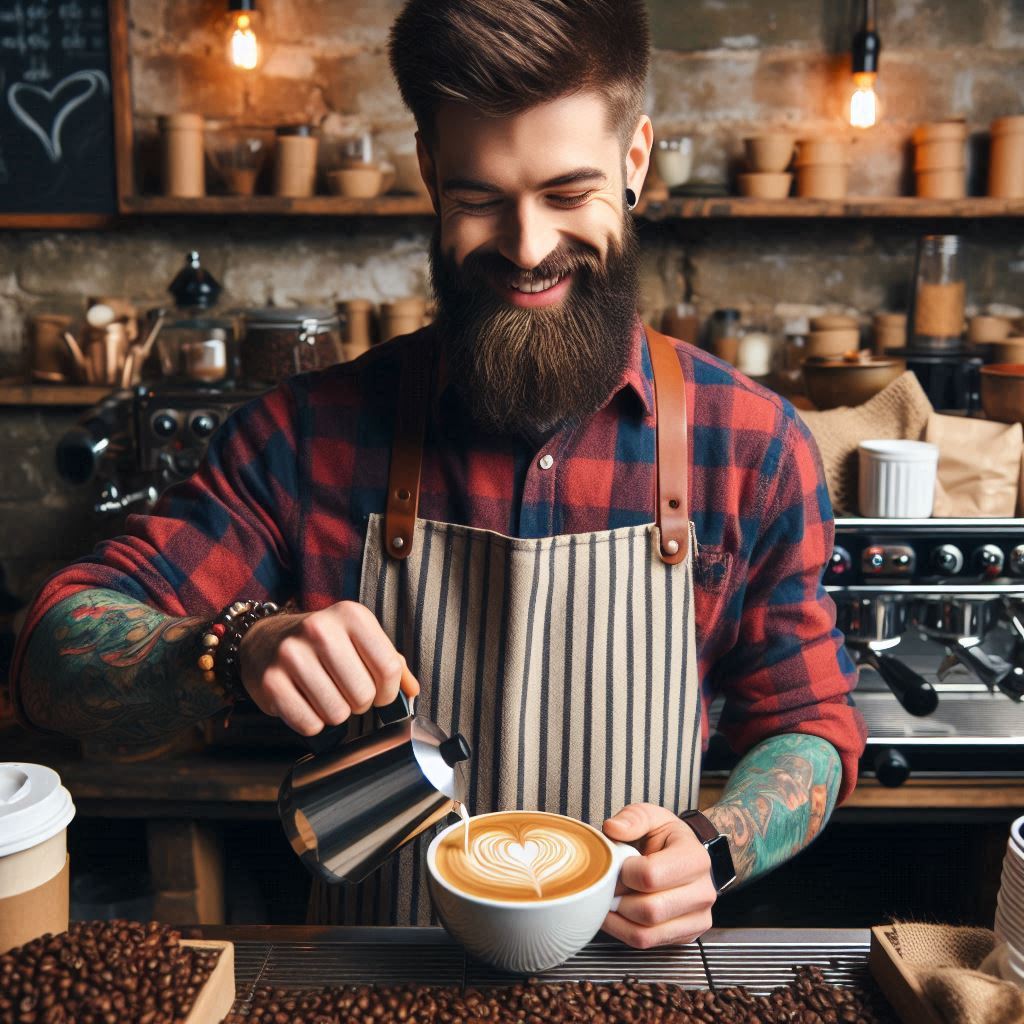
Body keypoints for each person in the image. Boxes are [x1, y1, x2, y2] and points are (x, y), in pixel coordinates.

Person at [12, 0, 866, 947]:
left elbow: (810, 724)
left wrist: (719, 843)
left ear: (634, 162)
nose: (529, 248)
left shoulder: (751, 446)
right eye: (481, 199)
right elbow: (51, 654)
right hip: (373, 985)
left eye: (568, 194)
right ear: (428, 173)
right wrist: (237, 649)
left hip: (632, 980)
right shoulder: (306, 436)